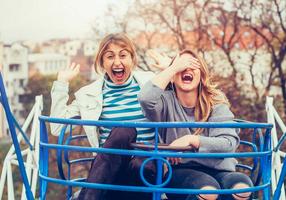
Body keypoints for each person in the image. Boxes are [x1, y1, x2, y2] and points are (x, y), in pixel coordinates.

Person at [50, 33, 161, 200]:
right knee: (124, 132)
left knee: (139, 162)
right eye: (110, 57)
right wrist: (61, 83)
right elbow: (57, 129)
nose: (117, 62)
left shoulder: (152, 83)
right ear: (102, 63)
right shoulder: (88, 94)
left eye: (123, 55)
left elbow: (182, 102)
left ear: (132, 59)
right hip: (110, 171)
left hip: (145, 169)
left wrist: (172, 69)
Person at [138, 49, 253, 200]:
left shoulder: (215, 103)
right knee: (208, 191)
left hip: (220, 169)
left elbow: (228, 142)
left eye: (192, 65)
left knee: (242, 188)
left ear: (201, 75)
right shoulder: (165, 102)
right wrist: (172, 68)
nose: (186, 69)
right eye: (182, 66)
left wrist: (192, 140)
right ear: (172, 78)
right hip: (181, 170)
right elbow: (145, 98)